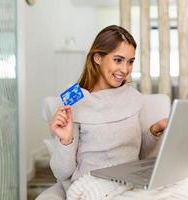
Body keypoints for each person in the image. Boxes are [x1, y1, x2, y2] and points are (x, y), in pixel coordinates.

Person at [47, 25, 168, 193]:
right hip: (92, 185)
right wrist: (66, 141)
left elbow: (139, 153)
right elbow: (62, 172)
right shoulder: (73, 98)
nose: (125, 69)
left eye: (130, 62)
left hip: (131, 181)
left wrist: (156, 129)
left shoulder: (133, 97)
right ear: (98, 58)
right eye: (118, 60)